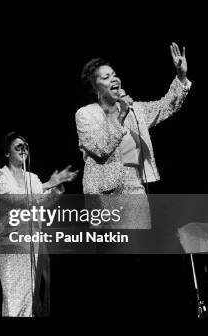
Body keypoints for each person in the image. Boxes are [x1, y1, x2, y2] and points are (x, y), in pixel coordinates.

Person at [75, 42, 191, 229]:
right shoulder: (86, 114)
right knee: (112, 251)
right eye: (106, 77)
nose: (114, 79)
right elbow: (100, 148)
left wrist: (181, 76)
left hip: (135, 190)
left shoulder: (135, 111)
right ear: (95, 88)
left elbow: (165, 106)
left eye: (114, 74)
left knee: (138, 250)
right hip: (103, 194)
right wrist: (121, 116)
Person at [0, 132, 77, 317]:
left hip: (31, 240)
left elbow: (42, 203)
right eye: (18, 147)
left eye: (25, 147)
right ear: (7, 153)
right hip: (10, 242)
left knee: (30, 295)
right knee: (14, 294)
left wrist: (56, 188)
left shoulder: (33, 178)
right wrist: (47, 184)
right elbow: (14, 198)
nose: (23, 150)